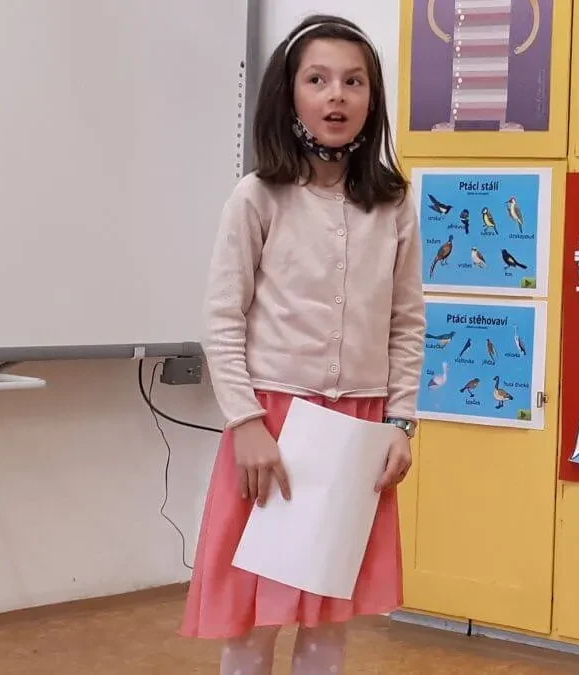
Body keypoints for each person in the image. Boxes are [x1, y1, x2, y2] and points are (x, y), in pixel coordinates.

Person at [180, 15, 425, 675]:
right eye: (318, 80)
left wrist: (401, 422)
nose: (336, 95)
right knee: (254, 619)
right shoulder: (257, 197)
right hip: (271, 427)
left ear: (371, 98)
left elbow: (407, 322)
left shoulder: (393, 203)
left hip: (358, 429)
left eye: (353, 81)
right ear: (289, 93)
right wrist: (245, 423)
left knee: (327, 619)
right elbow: (222, 318)